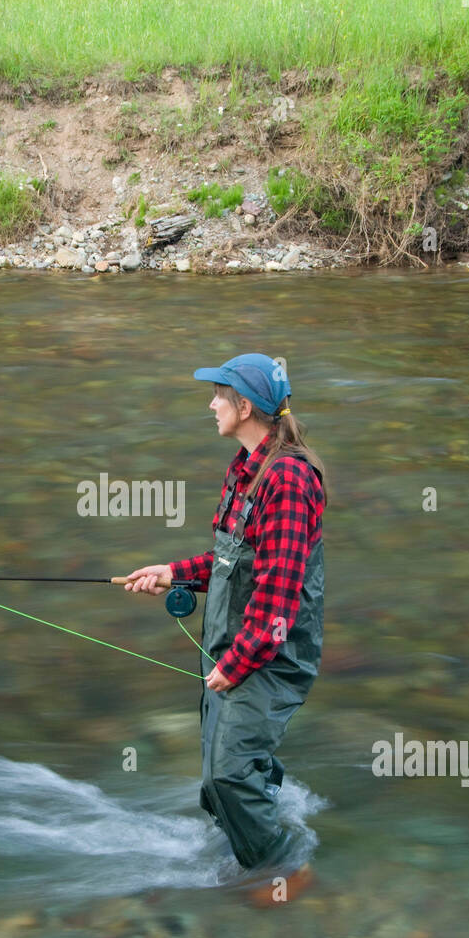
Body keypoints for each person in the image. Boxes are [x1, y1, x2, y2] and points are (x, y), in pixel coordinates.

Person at [125, 353, 327, 906]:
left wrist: (235, 665)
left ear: (246, 406)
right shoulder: (247, 468)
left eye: (219, 395)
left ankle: (285, 874)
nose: (210, 404)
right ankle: (256, 837)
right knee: (220, 777)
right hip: (230, 648)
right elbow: (228, 560)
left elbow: (280, 598)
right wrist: (172, 573)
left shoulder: (287, 480)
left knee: (227, 779)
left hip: (266, 655)